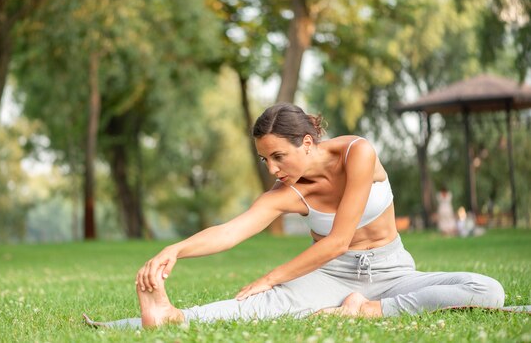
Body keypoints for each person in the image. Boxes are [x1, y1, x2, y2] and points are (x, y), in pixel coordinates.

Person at [84, 103, 505, 329]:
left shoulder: (357, 153)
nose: (272, 168)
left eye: (278, 156)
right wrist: (174, 250)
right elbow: (230, 232)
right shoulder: (288, 193)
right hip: (332, 276)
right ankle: (171, 318)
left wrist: (273, 276)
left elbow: (339, 238)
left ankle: (364, 311)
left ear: (307, 142)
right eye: (265, 159)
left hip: (394, 271)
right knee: (256, 307)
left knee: (487, 291)